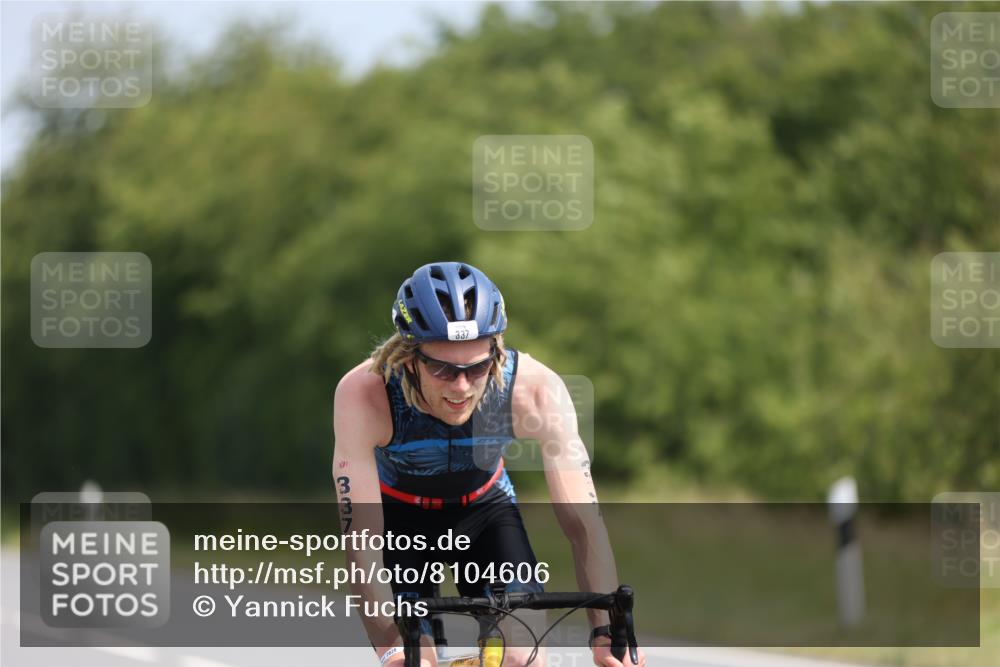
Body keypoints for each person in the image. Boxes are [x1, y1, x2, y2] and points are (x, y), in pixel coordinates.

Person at [333, 261, 645, 667]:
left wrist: (606, 632)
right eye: (443, 368)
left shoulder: (535, 390)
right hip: (398, 520)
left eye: (477, 367)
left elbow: (583, 525)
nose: (461, 386)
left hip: (485, 511)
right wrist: (391, 649)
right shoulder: (365, 394)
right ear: (410, 358)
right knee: (415, 661)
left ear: (496, 353)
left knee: (522, 656)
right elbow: (363, 541)